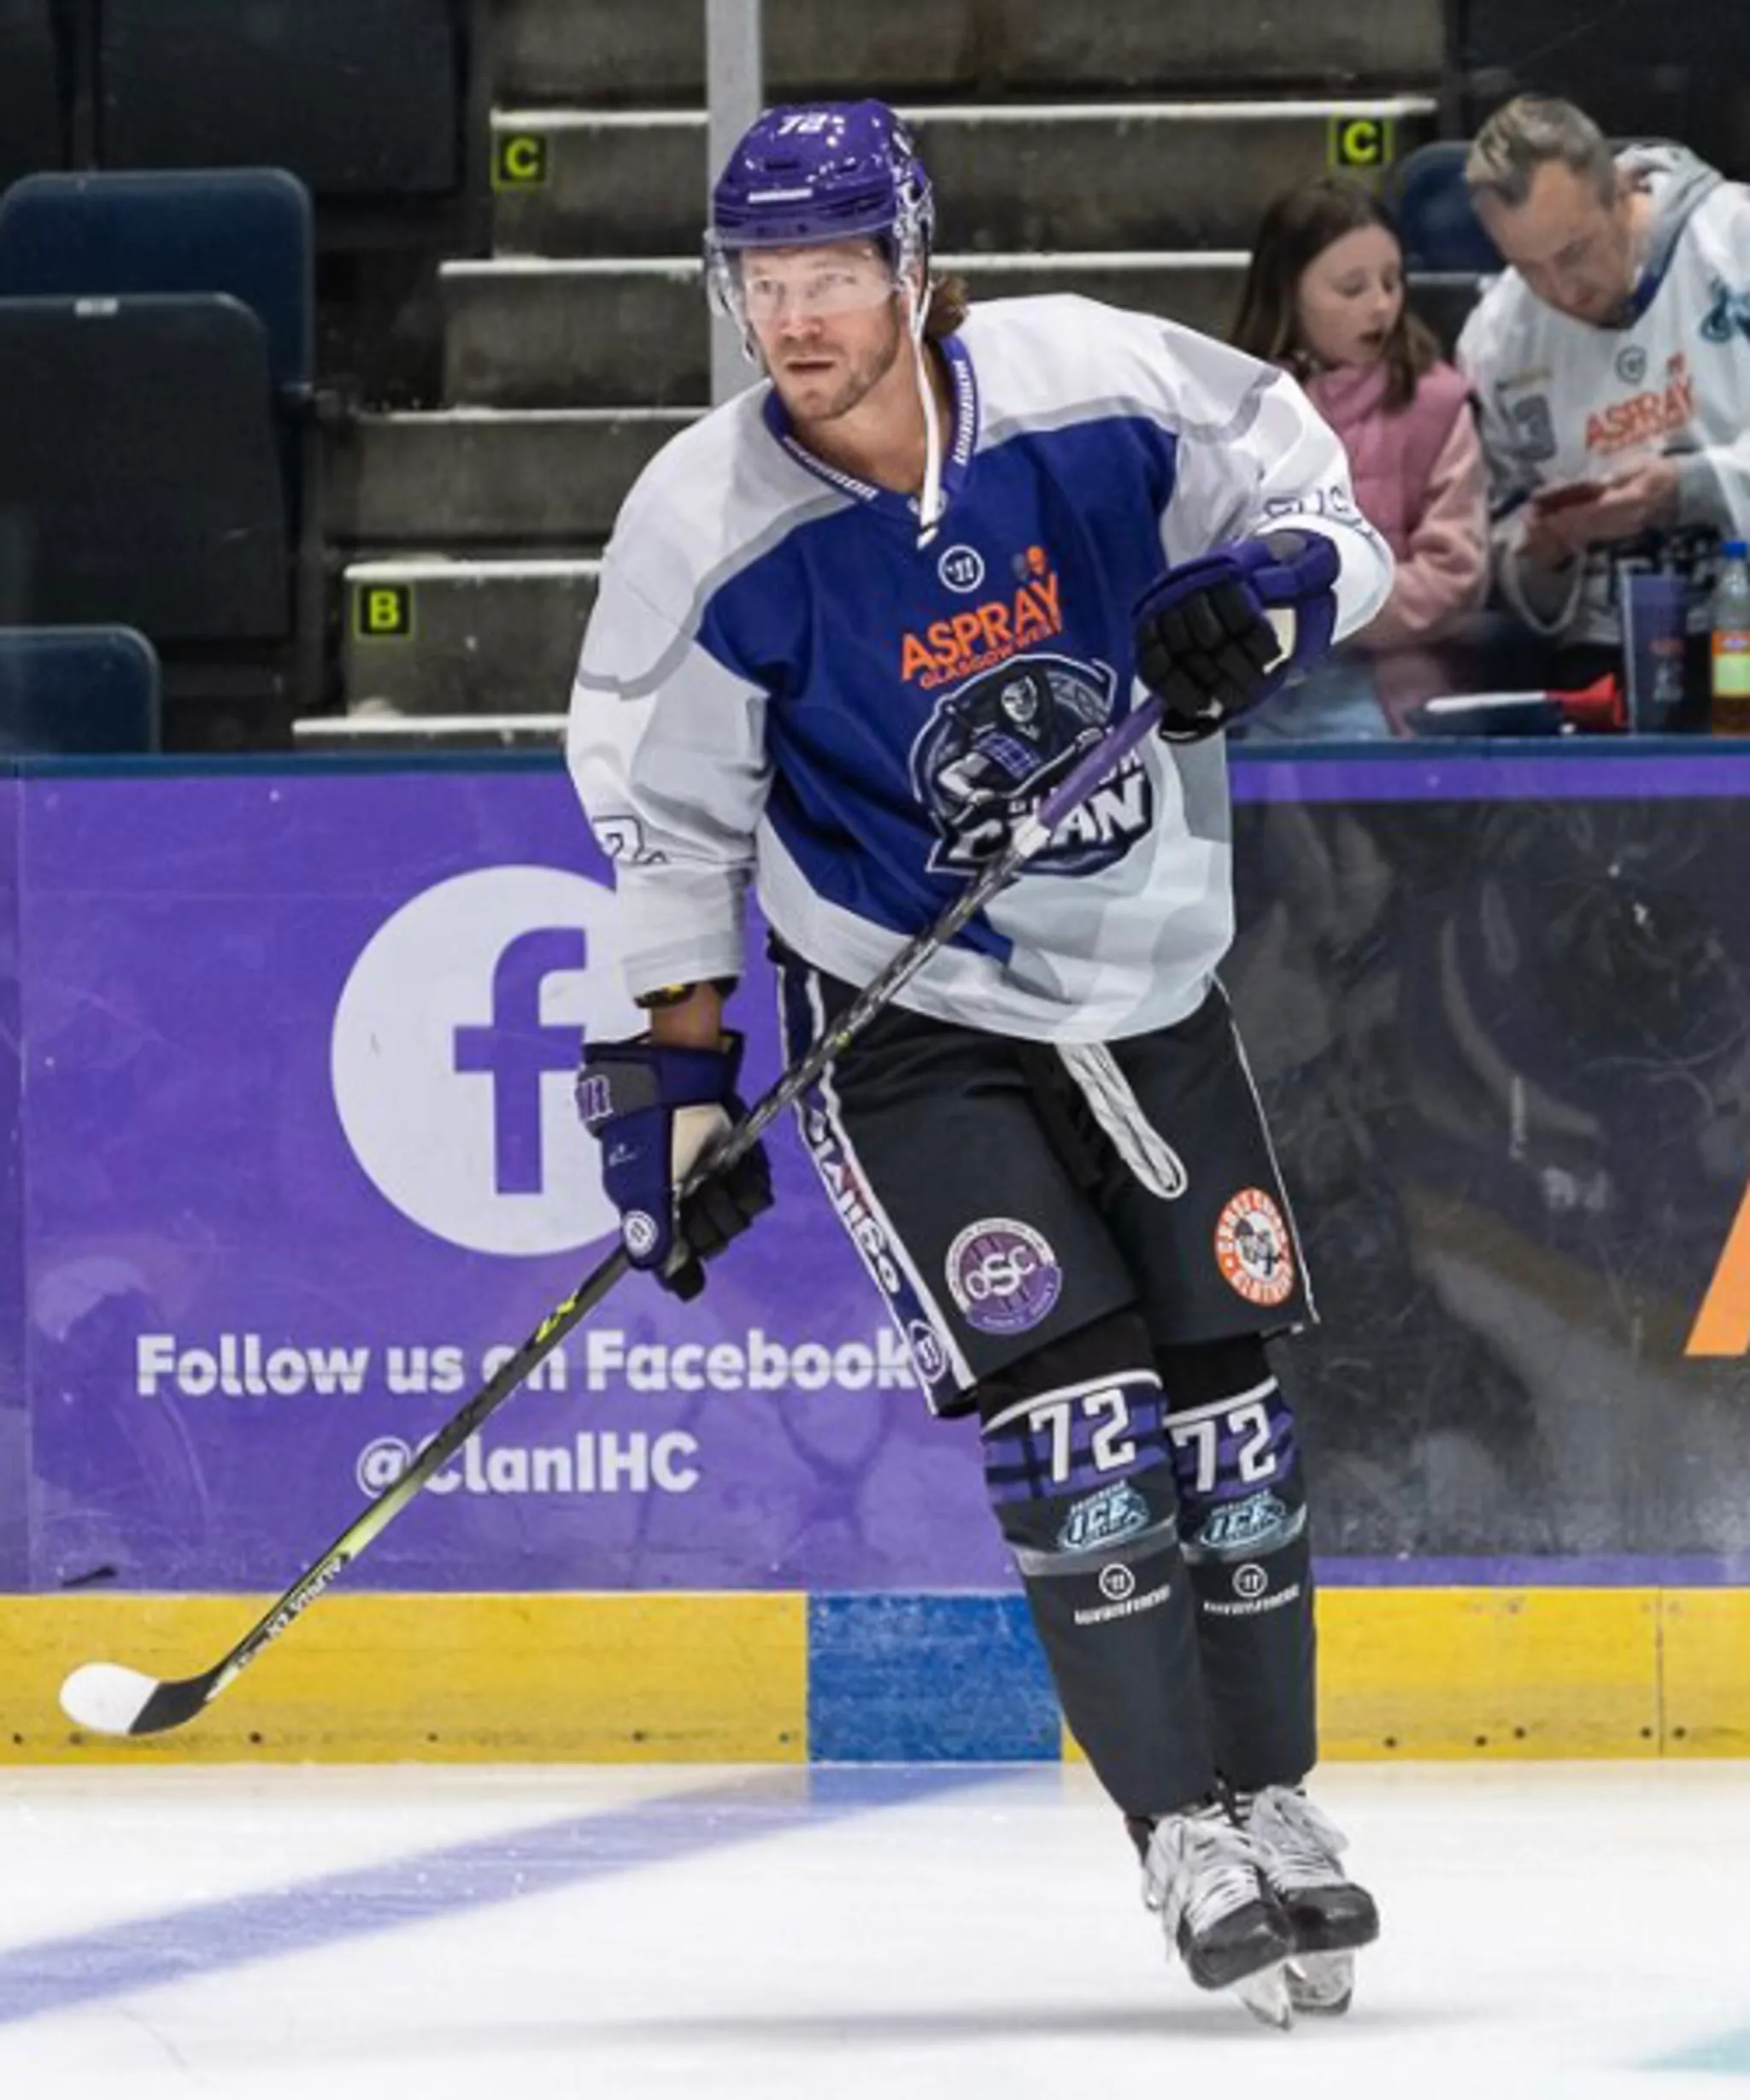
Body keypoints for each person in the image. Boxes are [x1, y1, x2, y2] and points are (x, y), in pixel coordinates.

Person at [566, 99, 1390, 2026]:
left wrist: (1267, 591)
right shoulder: (703, 523)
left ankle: (1278, 1801)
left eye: (832, 271)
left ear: (915, 266)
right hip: (906, 1021)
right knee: (1084, 1420)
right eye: (762, 281)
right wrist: (680, 1073)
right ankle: (1180, 1826)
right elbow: (666, 821)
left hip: (1151, 984)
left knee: (1230, 1417)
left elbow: (1321, 503)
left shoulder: (1089, 381)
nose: (794, 314)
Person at [1458, 95, 1750, 675]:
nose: (1563, 290)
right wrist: (1548, 547)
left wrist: (1690, 487)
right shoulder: (1494, 338)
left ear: (1622, 190)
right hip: (1605, 651)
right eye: (1529, 267)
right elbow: (1501, 550)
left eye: (1575, 252)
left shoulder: (1735, 241)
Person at [1234, 178, 1489, 669]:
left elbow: (1454, 574)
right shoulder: (1231, 410)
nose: (1380, 305)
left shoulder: (1437, 403)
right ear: (1288, 292)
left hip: (1393, 686)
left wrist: (1319, 614)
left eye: (1392, 282)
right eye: (1352, 288)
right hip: (1256, 681)